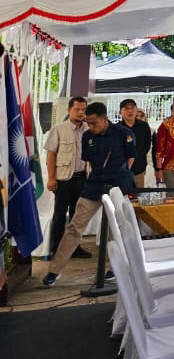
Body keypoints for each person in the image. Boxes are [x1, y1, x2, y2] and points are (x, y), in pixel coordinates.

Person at [42, 102, 137, 286]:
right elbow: (90, 161)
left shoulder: (124, 134)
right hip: (94, 185)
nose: (90, 127)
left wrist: (118, 175)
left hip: (118, 186)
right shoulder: (87, 136)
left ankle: (114, 267)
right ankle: (55, 270)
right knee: (75, 226)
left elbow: (130, 158)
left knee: (115, 228)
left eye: (94, 123)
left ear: (105, 119)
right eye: (88, 123)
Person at [44, 96, 92, 259]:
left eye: (83, 109)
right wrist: (51, 178)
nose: (80, 112)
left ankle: (74, 248)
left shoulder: (89, 130)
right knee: (59, 215)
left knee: (77, 216)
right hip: (64, 179)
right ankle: (56, 248)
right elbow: (51, 155)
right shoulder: (59, 129)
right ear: (69, 110)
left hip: (83, 178)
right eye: (77, 109)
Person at [117, 98, 152, 188]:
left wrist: (139, 156)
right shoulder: (116, 129)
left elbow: (147, 145)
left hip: (139, 168)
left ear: (136, 110)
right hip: (122, 170)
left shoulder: (144, 126)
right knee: (123, 194)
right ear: (120, 112)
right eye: (126, 108)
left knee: (138, 194)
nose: (130, 111)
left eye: (132, 108)